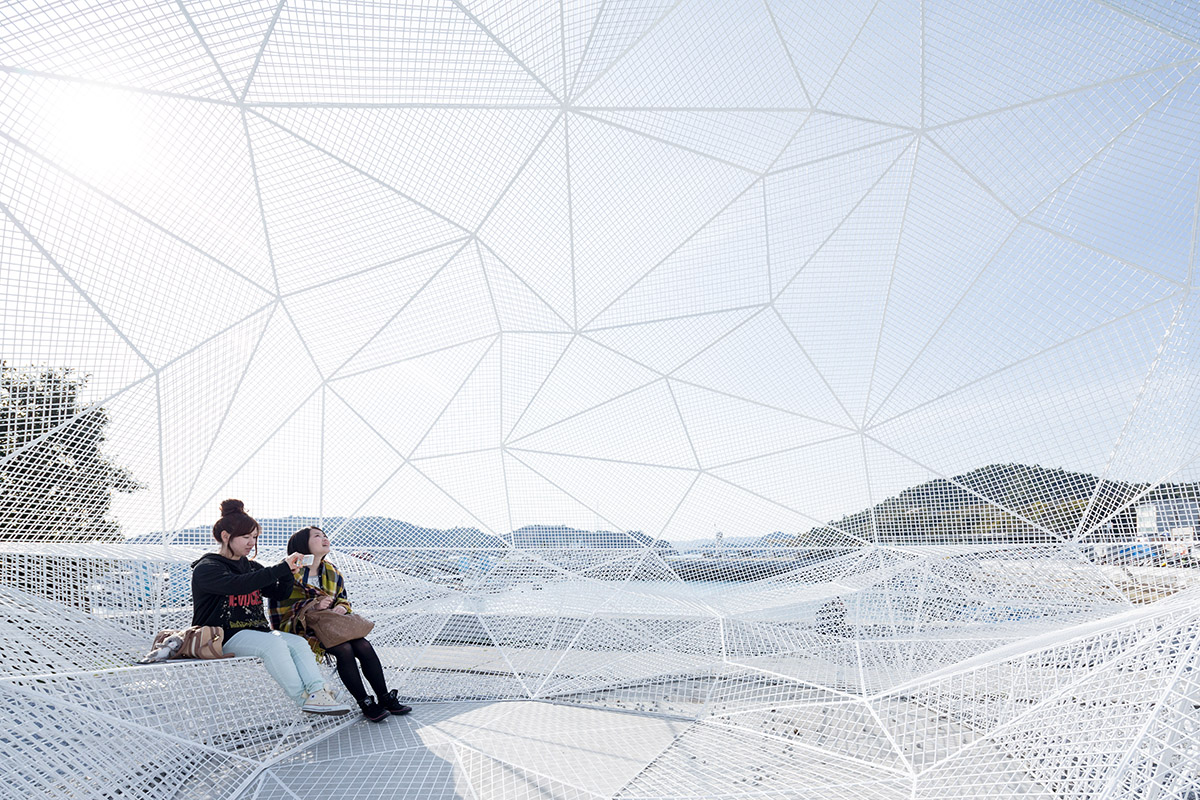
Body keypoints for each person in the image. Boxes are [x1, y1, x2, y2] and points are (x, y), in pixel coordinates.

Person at [191, 499, 350, 715]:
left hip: (256, 633)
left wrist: (287, 574)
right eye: (246, 537)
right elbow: (238, 585)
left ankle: (316, 692)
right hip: (221, 636)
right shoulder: (207, 567)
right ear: (226, 536)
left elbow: (279, 592)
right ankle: (303, 699)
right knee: (273, 646)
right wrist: (280, 568)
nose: (251, 542)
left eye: (254, 537)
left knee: (298, 644)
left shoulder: (251, 566)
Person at [269, 525, 412, 722]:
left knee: (363, 645)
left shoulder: (331, 570)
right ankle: (365, 702)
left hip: (331, 625)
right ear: (303, 544)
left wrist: (342, 608)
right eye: (317, 536)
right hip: (301, 628)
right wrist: (312, 606)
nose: (324, 538)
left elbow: (343, 599)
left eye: (325, 535)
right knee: (344, 649)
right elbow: (280, 609)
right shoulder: (289, 570)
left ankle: (385, 697)